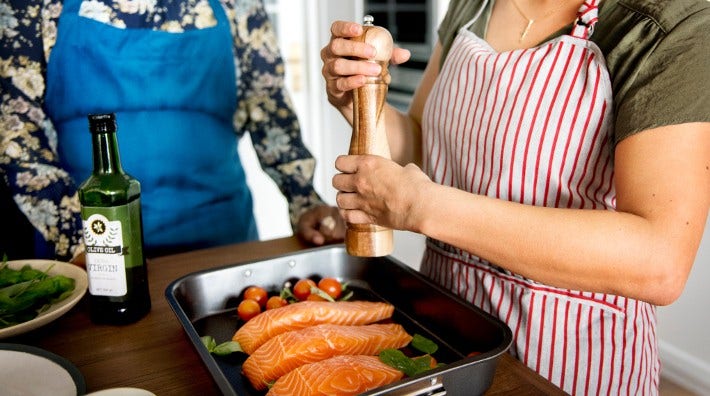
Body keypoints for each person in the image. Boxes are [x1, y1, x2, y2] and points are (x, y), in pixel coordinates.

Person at [321, 0, 709, 394]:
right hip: (451, 337)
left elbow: (659, 260)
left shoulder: (665, 23)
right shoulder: (472, 6)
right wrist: (361, 103)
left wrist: (425, 207)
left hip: (570, 363)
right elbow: (425, 146)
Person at [0, 0, 345, 262]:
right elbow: (17, 137)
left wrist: (304, 201)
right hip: (95, 247)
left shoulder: (238, 6)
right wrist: (78, 240)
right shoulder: (35, 6)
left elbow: (271, 113)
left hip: (221, 244)